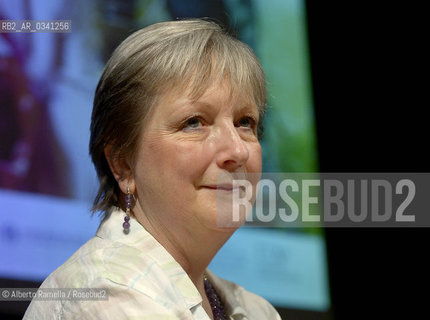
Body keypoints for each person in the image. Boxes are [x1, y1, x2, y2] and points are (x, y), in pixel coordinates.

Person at [24, 19, 282, 320]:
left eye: (244, 123)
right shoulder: (106, 297)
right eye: (194, 122)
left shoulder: (255, 310)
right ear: (122, 164)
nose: (237, 150)